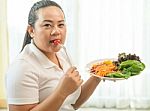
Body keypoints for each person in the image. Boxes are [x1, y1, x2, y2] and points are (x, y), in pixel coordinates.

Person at [6, 0, 101, 111]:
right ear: (31, 31)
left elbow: (71, 104)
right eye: (47, 25)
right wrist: (61, 92)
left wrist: (98, 76)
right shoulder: (21, 67)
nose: (56, 31)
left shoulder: (61, 53)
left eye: (61, 24)